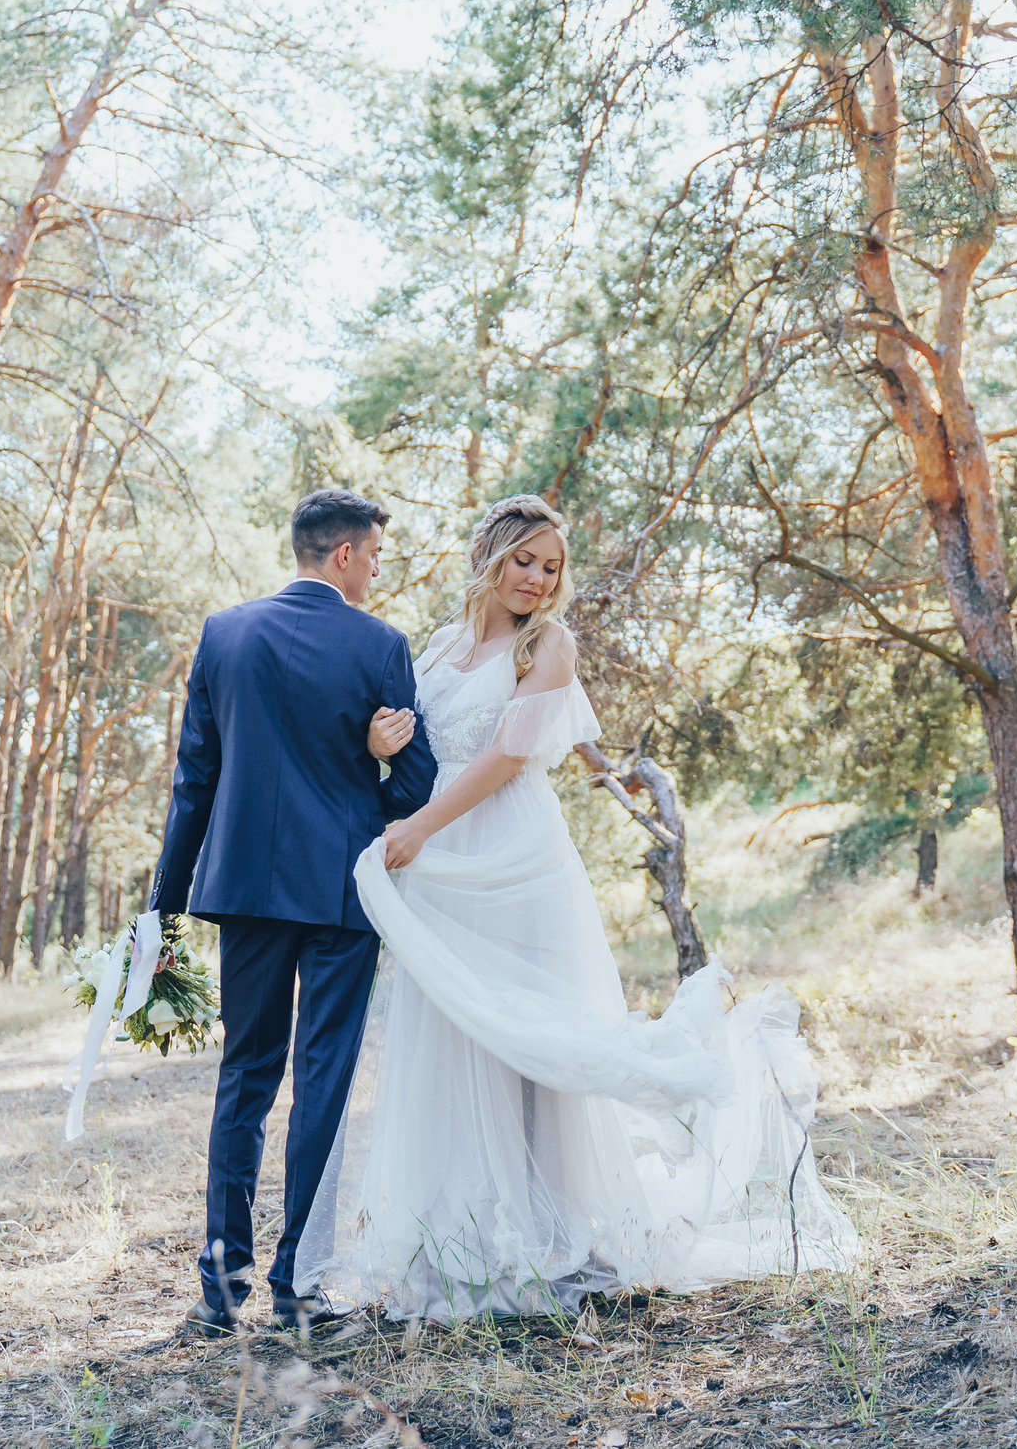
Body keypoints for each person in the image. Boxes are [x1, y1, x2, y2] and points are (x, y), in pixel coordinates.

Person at [291, 494, 857, 1321]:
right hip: (440, 859)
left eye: (551, 568)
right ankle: (459, 1236)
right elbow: (415, 743)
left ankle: (546, 1231)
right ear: (491, 552)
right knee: (450, 1031)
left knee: (526, 1036)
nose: (538, 579)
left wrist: (415, 825)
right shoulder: (440, 645)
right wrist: (386, 749)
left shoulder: (548, 643)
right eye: (526, 560)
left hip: (510, 856)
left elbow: (511, 755)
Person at [148, 488, 439, 1335]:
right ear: (345, 554)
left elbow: (192, 782)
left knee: (244, 1076)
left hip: (243, 890)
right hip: (341, 893)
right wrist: (375, 758)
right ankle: (298, 1289)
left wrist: (163, 912)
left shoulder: (224, 633)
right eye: (376, 556)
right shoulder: (381, 643)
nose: (378, 570)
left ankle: (220, 1288)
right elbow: (414, 788)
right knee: (322, 1082)